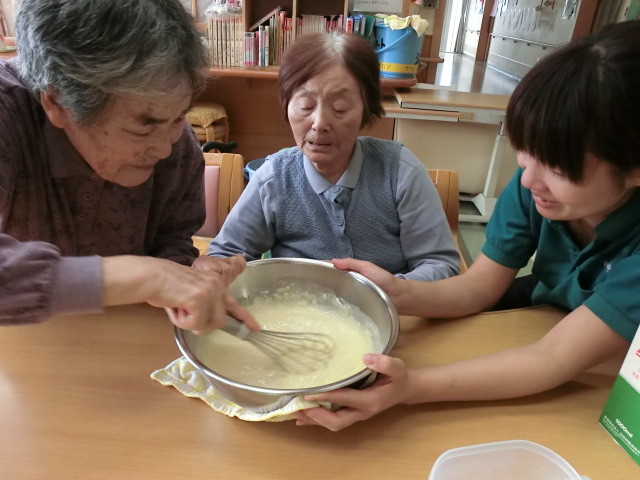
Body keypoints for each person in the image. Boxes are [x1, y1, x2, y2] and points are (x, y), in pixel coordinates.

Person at [292, 20, 640, 431]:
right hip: (546, 318)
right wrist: (398, 292)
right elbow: (479, 287)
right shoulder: (537, 189)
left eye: (558, 167)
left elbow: (551, 359)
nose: (527, 180)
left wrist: (410, 388)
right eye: (524, 153)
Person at [0, 0, 255, 334]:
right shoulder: (7, 114)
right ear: (56, 102)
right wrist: (145, 276)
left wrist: (189, 274)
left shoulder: (177, 146)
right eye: (142, 127)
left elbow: (172, 239)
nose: (165, 147)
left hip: (124, 339)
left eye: (179, 116)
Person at [199, 31, 460, 282]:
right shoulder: (274, 178)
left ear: (365, 109)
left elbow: (440, 265)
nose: (320, 123)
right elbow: (225, 257)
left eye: (340, 108)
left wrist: (386, 292)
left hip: (392, 317)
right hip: (296, 316)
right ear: (287, 105)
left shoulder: (399, 171)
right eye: (306, 106)